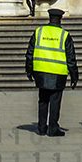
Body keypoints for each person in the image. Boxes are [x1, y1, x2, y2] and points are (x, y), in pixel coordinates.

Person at [25, 7, 77, 137]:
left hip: (41, 71)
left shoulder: (39, 31)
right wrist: (74, 75)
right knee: (55, 101)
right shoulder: (64, 35)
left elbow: (29, 53)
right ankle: (53, 128)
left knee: (43, 100)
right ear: (60, 19)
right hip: (58, 72)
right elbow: (71, 58)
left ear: (49, 18)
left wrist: (29, 69)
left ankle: (42, 127)